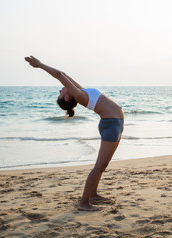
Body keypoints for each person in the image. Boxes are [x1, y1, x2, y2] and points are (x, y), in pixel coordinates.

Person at [25, 56, 124, 211]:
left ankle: (93, 195)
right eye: (60, 93)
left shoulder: (82, 92)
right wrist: (40, 65)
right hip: (111, 125)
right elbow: (59, 75)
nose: (60, 89)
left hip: (115, 124)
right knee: (99, 166)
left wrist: (42, 65)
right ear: (67, 96)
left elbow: (63, 74)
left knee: (103, 165)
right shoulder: (79, 95)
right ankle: (84, 203)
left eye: (60, 91)